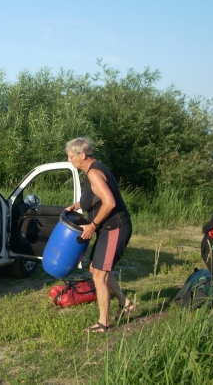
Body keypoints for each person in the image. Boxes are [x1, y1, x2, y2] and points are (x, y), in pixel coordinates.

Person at [64, 137, 134, 333]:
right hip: (108, 229)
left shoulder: (94, 172)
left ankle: (104, 323)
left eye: (71, 156)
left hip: (115, 228)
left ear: (82, 155)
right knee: (95, 268)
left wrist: (93, 225)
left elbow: (109, 203)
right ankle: (125, 303)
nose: (69, 160)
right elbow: (97, 196)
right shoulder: (92, 170)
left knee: (100, 275)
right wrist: (79, 205)